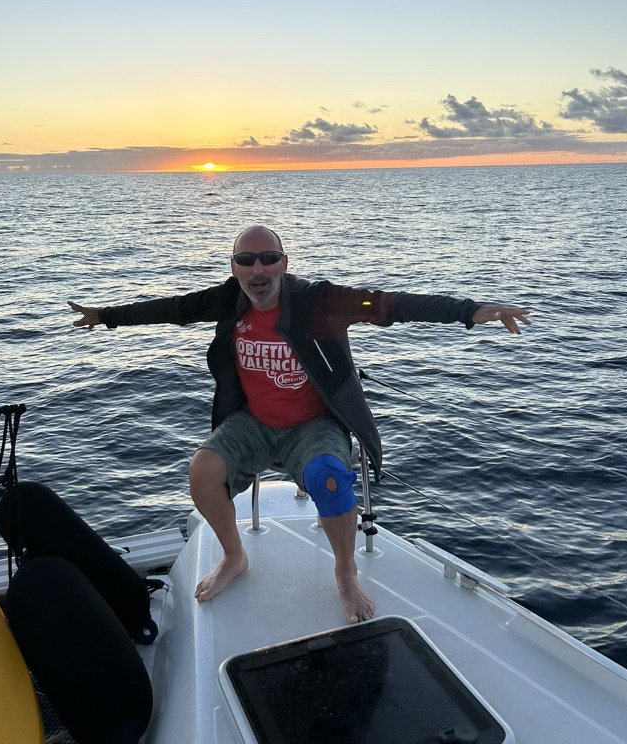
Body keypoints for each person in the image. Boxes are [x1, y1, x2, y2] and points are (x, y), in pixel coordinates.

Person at [69, 224, 530, 624]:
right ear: (234, 268)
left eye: (269, 259)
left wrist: (470, 310)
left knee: (330, 477)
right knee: (201, 471)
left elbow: (390, 304)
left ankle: (345, 572)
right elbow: (171, 309)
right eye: (247, 261)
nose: (258, 270)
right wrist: (105, 317)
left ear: (284, 263)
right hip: (253, 423)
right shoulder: (230, 300)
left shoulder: (318, 301)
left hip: (313, 424)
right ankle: (234, 556)